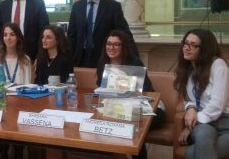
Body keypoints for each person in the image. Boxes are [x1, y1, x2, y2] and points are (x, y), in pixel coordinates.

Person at [96, 30, 161, 159]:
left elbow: (146, 91)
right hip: (119, 108)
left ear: (124, 47)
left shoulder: (134, 63)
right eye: (108, 44)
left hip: (151, 108)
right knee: (111, 119)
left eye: (116, 44)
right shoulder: (103, 64)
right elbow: (101, 88)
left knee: (131, 124)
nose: (111, 47)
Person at [174, 29, 229, 159]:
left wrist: (194, 122)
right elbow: (189, 98)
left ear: (205, 49)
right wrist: (191, 108)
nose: (187, 48)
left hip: (225, 122)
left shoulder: (218, 65)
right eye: (185, 43)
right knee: (203, 136)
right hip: (205, 124)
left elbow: (217, 105)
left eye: (193, 45)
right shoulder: (188, 69)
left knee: (193, 152)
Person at [67, 0, 138, 68]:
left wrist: (135, 59)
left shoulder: (112, 6)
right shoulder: (77, 7)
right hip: (80, 59)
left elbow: (124, 34)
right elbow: (71, 36)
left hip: (104, 59)